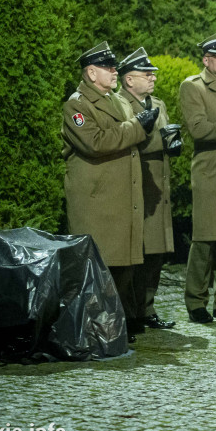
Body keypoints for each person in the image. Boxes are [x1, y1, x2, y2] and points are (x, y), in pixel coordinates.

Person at [62, 41, 158, 342]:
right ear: (91, 73)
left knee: (122, 266)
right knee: (98, 268)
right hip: (98, 200)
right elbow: (96, 142)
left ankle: (115, 325)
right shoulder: (77, 104)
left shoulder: (116, 100)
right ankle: (94, 330)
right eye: (108, 67)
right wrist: (137, 127)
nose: (115, 71)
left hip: (118, 198)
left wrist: (141, 126)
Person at [118, 48, 179, 330]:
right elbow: (130, 141)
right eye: (146, 74)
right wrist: (163, 143)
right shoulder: (121, 104)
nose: (152, 77)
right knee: (135, 254)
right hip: (137, 184)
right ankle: (130, 312)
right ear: (129, 80)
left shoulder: (158, 104)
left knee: (155, 253)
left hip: (158, 187)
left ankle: (146, 308)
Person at [178, 31, 216, 324]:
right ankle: (196, 301)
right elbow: (200, 128)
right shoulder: (194, 87)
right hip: (211, 171)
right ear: (206, 59)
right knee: (205, 240)